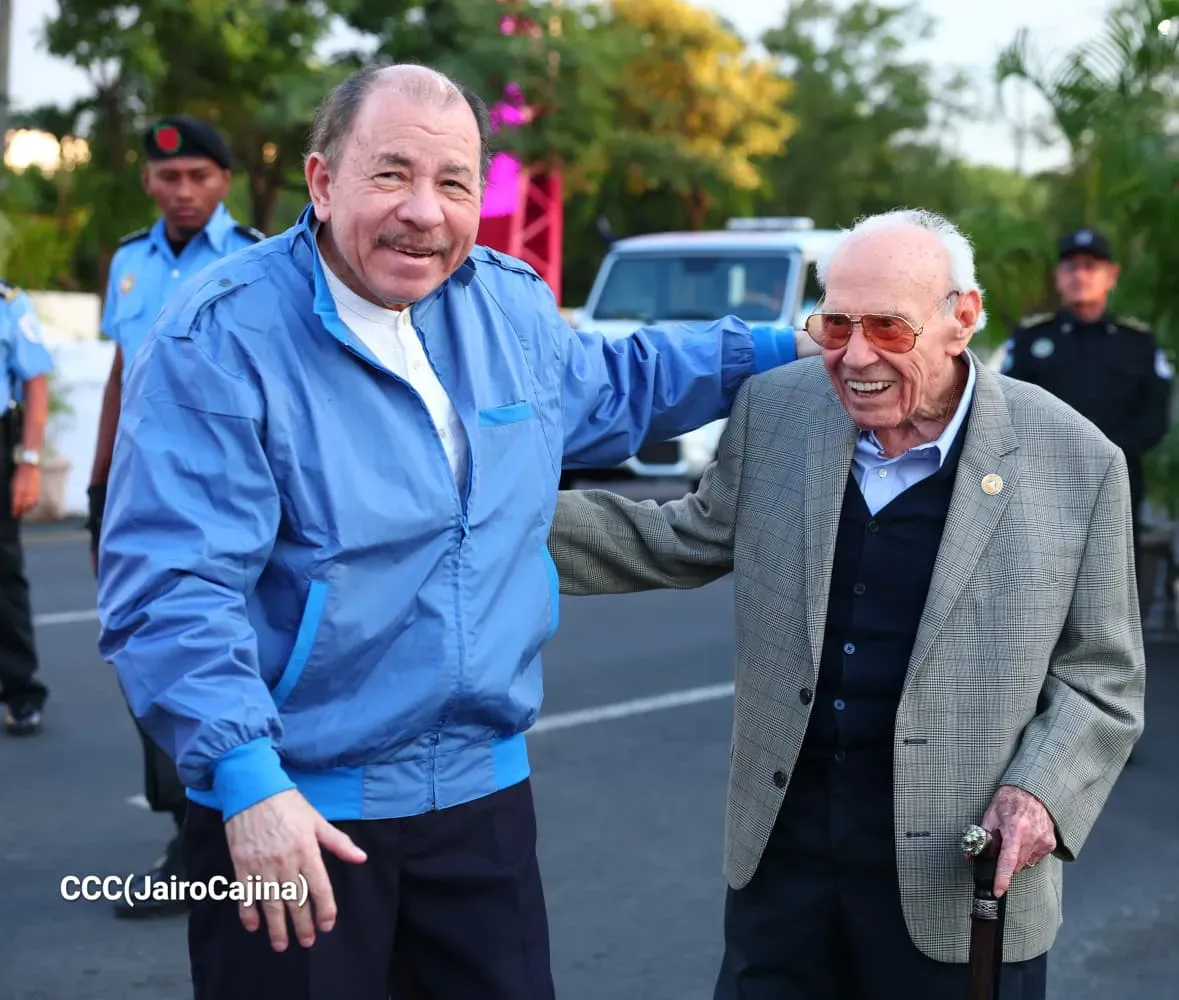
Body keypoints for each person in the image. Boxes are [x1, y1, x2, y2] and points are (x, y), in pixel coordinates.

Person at [95, 63, 812, 999]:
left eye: (453, 183)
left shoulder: (503, 304)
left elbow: (615, 385)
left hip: (479, 801)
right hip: (296, 809)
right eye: (391, 174)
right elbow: (171, 590)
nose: (424, 213)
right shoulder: (218, 337)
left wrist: (785, 347)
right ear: (322, 181)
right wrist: (247, 782)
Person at [549, 208, 1145, 1000]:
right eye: (835, 325)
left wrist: (1039, 792)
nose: (856, 356)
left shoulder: (1075, 461)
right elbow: (684, 537)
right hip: (782, 870)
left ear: (961, 318)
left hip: (956, 882)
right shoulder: (776, 410)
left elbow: (1102, 675)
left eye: (887, 328)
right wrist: (482, 519)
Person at [86, 114, 264, 919]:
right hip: (137, 495)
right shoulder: (130, 262)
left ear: (224, 181)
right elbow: (121, 374)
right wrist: (98, 490)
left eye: (198, 176)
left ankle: (232, 827)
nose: (183, 191)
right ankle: (191, 834)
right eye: (168, 177)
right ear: (148, 183)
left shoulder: (256, 260)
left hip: (225, 495)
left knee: (230, 653)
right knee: (149, 658)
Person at [1001, 228, 1172, 595]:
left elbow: (1154, 415)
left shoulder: (1137, 342)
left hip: (1118, 476)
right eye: (1071, 267)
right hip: (1044, 478)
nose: (1080, 275)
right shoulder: (1032, 338)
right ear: (1058, 277)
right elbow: (1008, 406)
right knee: (1040, 580)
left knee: (1112, 581)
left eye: (1091, 266)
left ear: (1112, 275)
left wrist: (1106, 454)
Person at [0, 279, 54, 737]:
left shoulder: (8, 303)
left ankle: (21, 690)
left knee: (3, 574)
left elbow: (35, 382)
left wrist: (30, 464)